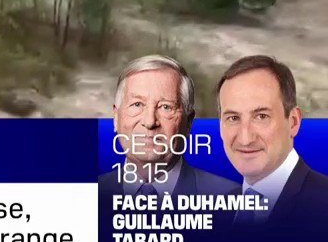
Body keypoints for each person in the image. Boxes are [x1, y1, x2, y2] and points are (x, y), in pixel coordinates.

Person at [99, 54, 238, 201]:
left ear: (188, 122)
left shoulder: (230, 199)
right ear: (116, 118)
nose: (150, 122)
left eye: (166, 107)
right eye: (137, 104)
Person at [217, 55, 328, 228]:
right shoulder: (217, 212)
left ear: (293, 122)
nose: (245, 139)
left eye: (261, 116)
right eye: (233, 118)